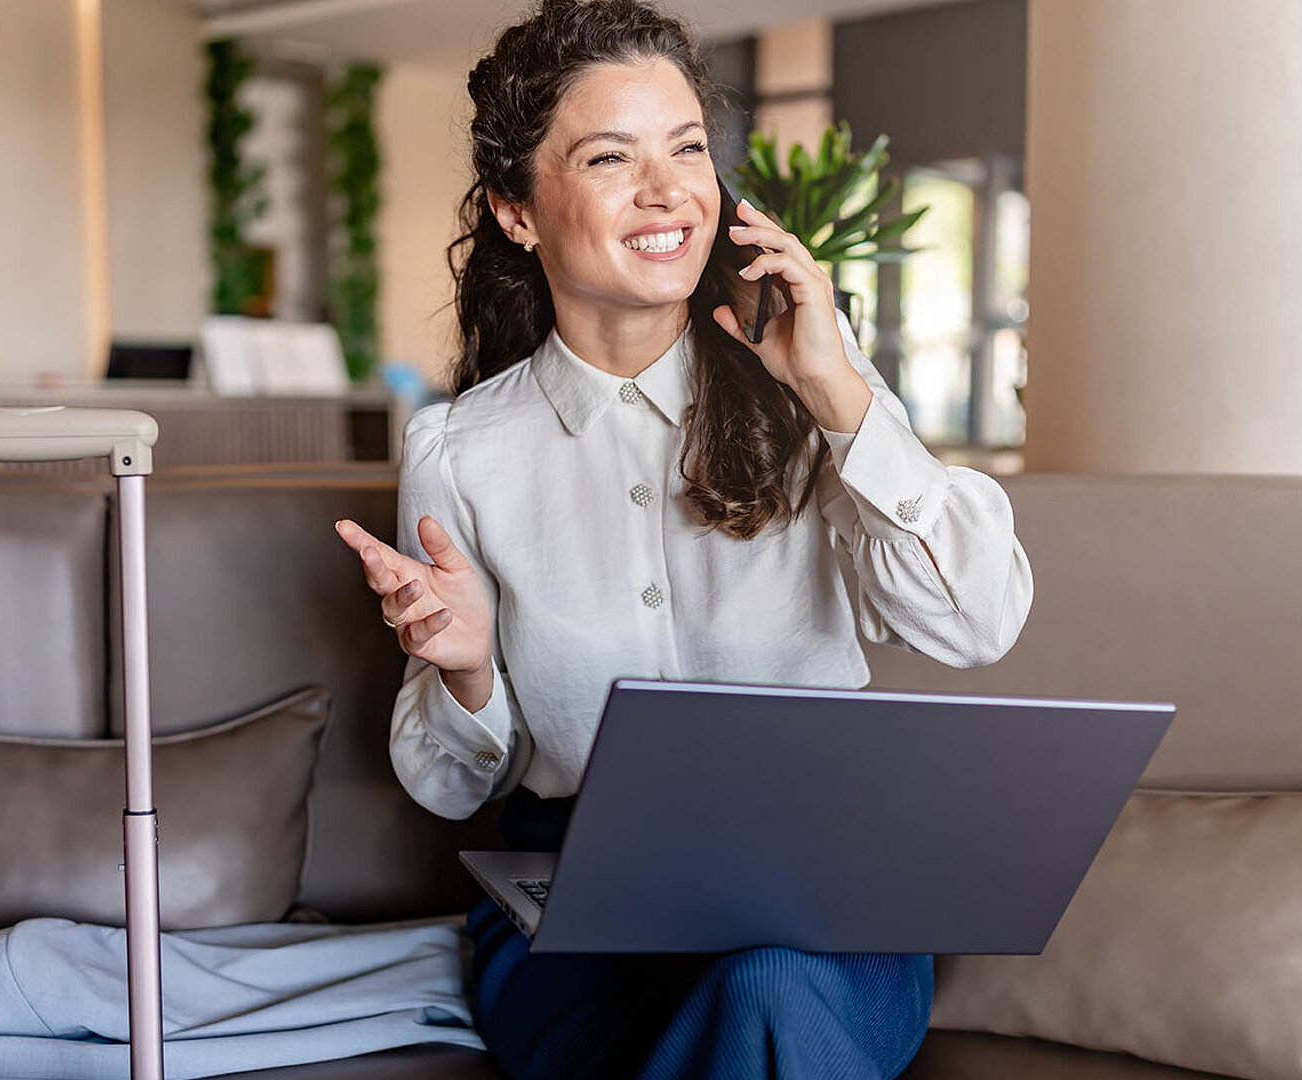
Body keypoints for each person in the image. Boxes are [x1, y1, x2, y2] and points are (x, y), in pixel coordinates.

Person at [333, 1, 1034, 1076]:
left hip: (816, 897)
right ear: (518, 210)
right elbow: (453, 784)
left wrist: (840, 394)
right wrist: (468, 673)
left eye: (690, 148)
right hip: (579, 911)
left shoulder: (815, 385)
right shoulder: (461, 451)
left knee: (770, 990)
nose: (669, 193)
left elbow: (977, 623)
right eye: (612, 157)